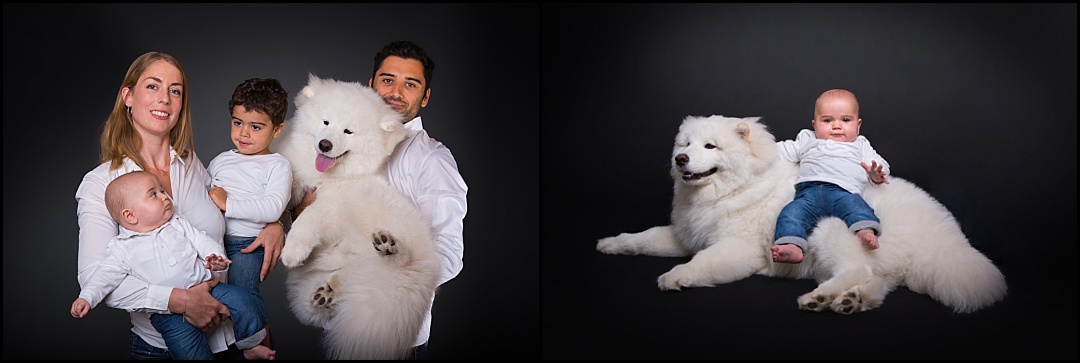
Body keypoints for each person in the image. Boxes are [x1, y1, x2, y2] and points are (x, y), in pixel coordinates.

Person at [75, 51, 286, 360]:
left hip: (231, 338)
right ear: (127, 96)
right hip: (164, 349)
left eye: (175, 91)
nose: (165, 99)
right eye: (152, 86)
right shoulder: (100, 184)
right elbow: (97, 279)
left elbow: (237, 205)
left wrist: (275, 225)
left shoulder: (190, 164)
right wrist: (181, 300)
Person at [291, 40, 468, 359]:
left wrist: (383, 284)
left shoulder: (431, 160)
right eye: (388, 80)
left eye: (410, 84)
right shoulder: (336, 139)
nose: (396, 92)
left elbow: (450, 253)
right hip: (335, 323)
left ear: (425, 97)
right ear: (371, 84)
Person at [71, 171, 276, 360]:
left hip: (209, 288)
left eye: (162, 190)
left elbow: (201, 240)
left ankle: (250, 344)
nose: (164, 196)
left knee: (243, 300)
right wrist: (87, 297)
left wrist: (214, 257)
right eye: (154, 194)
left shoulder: (177, 222)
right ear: (130, 216)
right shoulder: (121, 248)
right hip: (167, 315)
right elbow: (103, 276)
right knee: (188, 347)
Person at [207, 78, 293, 350]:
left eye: (256, 127)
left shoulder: (276, 166)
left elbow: (272, 208)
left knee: (244, 294)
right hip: (214, 245)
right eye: (237, 123)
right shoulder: (221, 161)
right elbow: (204, 199)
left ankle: (257, 344)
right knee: (218, 302)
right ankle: (238, 346)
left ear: (277, 129)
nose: (244, 133)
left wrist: (228, 204)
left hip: (247, 246)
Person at [771, 88, 890, 264]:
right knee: (790, 213)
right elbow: (779, 151)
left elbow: (880, 164)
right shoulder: (807, 139)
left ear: (858, 125)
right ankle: (792, 244)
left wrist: (877, 173)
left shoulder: (859, 144)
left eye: (845, 120)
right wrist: (756, 148)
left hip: (843, 192)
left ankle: (865, 231)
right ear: (814, 124)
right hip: (807, 194)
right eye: (827, 120)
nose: (836, 126)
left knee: (858, 207)